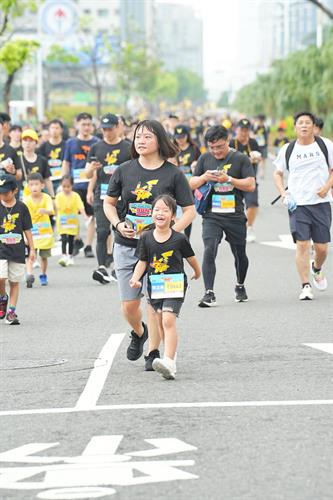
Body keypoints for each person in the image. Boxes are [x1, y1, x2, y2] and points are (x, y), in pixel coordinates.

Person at [103, 119, 195, 371]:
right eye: (138, 137)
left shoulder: (173, 173)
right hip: (126, 245)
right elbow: (108, 203)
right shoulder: (123, 170)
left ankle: (155, 353)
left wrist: (168, 234)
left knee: (155, 305)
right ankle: (139, 332)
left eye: (147, 137)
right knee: (129, 306)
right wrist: (118, 224)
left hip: (160, 251)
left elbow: (189, 211)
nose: (141, 141)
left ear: (160, 141)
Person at [130, 194, 201, 380]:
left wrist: (197, 271)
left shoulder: (179, 239)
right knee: (161, 321)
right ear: (151, 214)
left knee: (168, 320)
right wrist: (136, 278)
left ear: (172, 216)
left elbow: (191, 258)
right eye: (157, 210)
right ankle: (170, 354)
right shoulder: (146, 238)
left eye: (165, 210)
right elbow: (142, 262)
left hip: (175, 285)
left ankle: (169, 361)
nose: (160, 213)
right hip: (156, 286)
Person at [189, 125, 255, 306]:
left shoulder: (240, 159)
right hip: (212, 215)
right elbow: (192, 183)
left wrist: (229, 180)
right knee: (209, 249)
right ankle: (208, 292)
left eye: (220, 147)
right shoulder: (204, 158)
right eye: (212, 147)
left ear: (228, 141)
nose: (216, 151)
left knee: (239, 254)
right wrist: (204, 177)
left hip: (234, 215)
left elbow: (250, 185)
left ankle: (240, 285)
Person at [273, 111, 333, 300]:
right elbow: (278, 173)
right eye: (301, 123)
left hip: (321, 203)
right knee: (302, 245)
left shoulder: (325, 145)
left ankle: (317, 268)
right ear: (295, 127)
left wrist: (326, 187)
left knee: (322, 248)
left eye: (308, 123)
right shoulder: (288, 149)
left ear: (314, 126)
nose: (304, 126)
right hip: (298, 205)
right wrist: (284, 193)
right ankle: (305, 285)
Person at [86, 113, 131, 284]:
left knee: (119, 231)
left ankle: (118, 266)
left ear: (117, 127)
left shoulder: (128, 147)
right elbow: (88, 174)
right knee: (102, 231)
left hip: (122, 197)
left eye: (109, 128)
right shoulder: (96, 148)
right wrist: (92, 169)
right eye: (103, 129)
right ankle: (101, 267)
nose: (106, 132)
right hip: (102, 195)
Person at [62, 112, 99, 258]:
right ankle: (76, 240)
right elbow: (66, 162)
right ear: (77, 125)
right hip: (74, 185)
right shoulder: (70, 143)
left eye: (89, 124)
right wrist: (64, 181)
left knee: (92, 216)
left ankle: (88, 246)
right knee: (73, 215)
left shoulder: (96, 142)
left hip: (92, 184)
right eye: (83, 124)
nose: (86, 127)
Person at [0, 173, 35, 324]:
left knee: (14, 282)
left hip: (17, 250)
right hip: (1, 249)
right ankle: (2, 298)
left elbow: (27, 229)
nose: (2, 195)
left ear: (15, 191)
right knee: (1, 277)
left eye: (6, 192)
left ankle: (11, 312)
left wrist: (32, 249)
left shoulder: (22, 207)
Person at [229, 118, 262, 243]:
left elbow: (259, 157)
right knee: (233, 208)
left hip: (250, 179)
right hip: (234, 179)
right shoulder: (231, 143)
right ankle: (235, 229)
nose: (243, 133)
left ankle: (250, 227)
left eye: (246, 130)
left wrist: (256, 159)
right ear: (237, 129)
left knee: (253, 204)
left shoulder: (253, 143)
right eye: (241, 130)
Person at [24, 173, 54, 287]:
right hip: (32, 232)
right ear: (28, 186)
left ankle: (43, 274)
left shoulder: (46, 197)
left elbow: (51, 210)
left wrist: (45, 211)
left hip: (45, 233)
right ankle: (29, 275)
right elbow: (22, 218)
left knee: (44, 257)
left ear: (42, 185)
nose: (34, 187)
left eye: (36, 184)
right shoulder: (26, 200)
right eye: (31, 185)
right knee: (30, 255)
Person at [173, 124, 201, 239]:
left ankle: (187, 238)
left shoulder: (194, 148)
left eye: (182, 137)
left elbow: (201, 164)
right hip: (175, 183)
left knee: (187, 210)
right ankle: (174, 237)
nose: (180, 140)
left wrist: (196, 165)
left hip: (190, 185)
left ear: (187, 136)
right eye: (178, 137)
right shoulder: (172, 148)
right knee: (174, 211)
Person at [55, 175, 87, 267]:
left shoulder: (75, 196)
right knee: (64, 238)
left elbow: (80, 206)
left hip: (72, 222)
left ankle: (70, 256)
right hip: (62, 222)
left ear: (72, 186)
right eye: (64, 186)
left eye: (68, 186)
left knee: (71, 239)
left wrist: (84, 215)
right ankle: (64, 255)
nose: (66, 188)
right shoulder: (59, 196)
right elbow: (57, 207)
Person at [19, 128, 55, 199]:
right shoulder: (17, 159)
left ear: (36, 143)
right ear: (21, 142)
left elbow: (47, 180)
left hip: (40, 197)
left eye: (31, 140)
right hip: (22, 197)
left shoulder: (42, 160)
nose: (27, 143)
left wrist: (53, 197)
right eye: (25, 140)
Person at [38, 119, 66, 191]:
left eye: (57, 128)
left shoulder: (66, 145)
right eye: (52, 128)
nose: (54, 130)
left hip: (63, 180)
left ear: (61, 130)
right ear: (49, 130)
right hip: (48, 180)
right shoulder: (43, 147)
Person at [253, 114, 269, 179]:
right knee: (257, 159)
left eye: (262, 120)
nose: (261, 122)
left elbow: (268, 135)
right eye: (260, 120)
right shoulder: (255, 126)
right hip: (256, 145)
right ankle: (257, 171)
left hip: (264, 145)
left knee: (263, 159)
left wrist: (267, 143)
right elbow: (251, 134)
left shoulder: (266, 126)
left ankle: (262, 173)